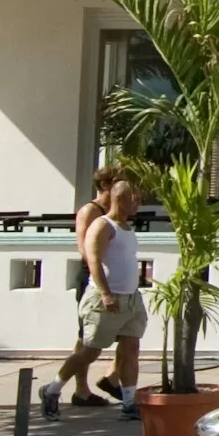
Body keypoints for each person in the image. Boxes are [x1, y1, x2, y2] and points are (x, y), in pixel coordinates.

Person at [40, 175, 148, 418]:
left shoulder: (127, 228)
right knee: (90, 351)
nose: (137, 206)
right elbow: (93, 260)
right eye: (135, 200)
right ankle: (52, 389)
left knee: (131, 348)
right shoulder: (102, 225)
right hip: (106, 299)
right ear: (120, 198)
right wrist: (106, 293)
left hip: (131, 299)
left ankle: (129, 402)